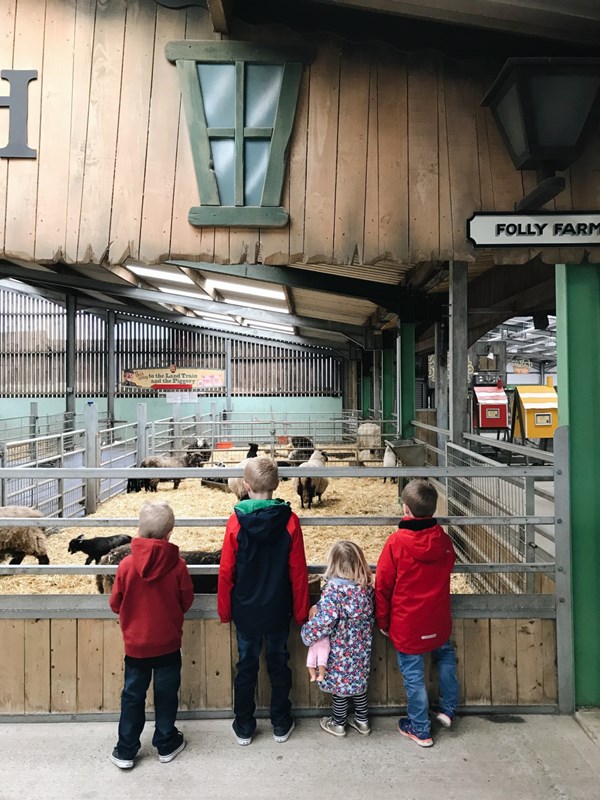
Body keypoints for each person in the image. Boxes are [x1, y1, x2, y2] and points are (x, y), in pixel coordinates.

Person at [217, 457, 309, 746]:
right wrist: (302, 612)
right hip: (279, 608)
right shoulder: (290, 521)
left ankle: (244, 725)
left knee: (246, 665)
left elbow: (226, 571)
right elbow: (298, 571)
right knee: (279, 663)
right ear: (277, 484)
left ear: (245, 486)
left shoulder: (236, 522)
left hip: (245, 610)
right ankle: (281, 722)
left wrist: (224, 610)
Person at [109, 500, 194, 769]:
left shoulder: (125, 565)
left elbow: (115, 603)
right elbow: (186, 601)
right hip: (168, 645)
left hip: (136, 648)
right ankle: (166, 742)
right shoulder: (178, 566)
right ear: (169, 534)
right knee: (166, 694)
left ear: (139, 530)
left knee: (133, 696)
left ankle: (126, 749)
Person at [375, 478, 459, 748]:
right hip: (437, 619)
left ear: (405, 509)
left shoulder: (396, 542)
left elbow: (383, 585)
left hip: (408, 623)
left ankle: (421, 729)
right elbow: (448, 565)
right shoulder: (444, 541)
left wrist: (383, 621)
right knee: (445, 657)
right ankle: (447, 710)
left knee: (413, 676)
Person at [301, 540, 374, 738]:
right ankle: (362, 721)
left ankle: (339, 724)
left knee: (340, 689)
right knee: (359, 686)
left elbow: (324, 622)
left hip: (340, 652)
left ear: (332, 564)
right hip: (360, 651)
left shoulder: (333, 592)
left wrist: (307, 634)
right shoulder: (366, 589)